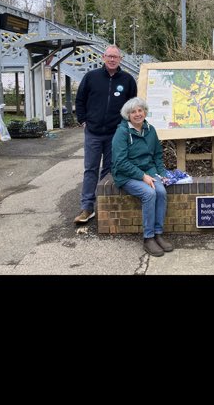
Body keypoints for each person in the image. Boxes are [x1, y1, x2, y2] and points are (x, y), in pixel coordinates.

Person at [74, 45, 137, 224]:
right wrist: (83, 120)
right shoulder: (91, 77)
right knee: (90, 169)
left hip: (115, 134)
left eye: (115, 57)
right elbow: (80, 100)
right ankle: (87, 207)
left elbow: (132, 105)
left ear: (120, 59)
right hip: (93, 132)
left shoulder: (127, 80)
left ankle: (104, 205)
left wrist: (126, 126)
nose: (112, 59)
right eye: (109, 56)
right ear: (103, 57)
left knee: (110, 170)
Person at [111, 96, 173, 257]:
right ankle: (148, 238)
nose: (138, 114)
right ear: (128, 115)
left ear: (145, 112)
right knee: (149, 193)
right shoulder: (122, 132)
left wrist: (163, 174)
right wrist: (142, 176)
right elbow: (120, 162)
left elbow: (158, 155)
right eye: (133, 112)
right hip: (126, 175)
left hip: (149, 172)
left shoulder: (150, 129)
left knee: (161, 192)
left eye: (140, 110)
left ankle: (158, 234)